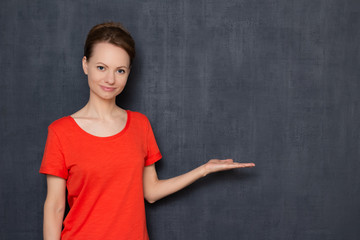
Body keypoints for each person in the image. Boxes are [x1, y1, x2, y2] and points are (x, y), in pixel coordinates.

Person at [39, 22, 255, 240]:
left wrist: (204, 170)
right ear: (86, 64)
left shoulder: (140, 125)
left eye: (120, 70)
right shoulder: (61, 132)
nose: (110, 79)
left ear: (128, 72)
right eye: (101, 67)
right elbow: (55, 206)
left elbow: (150, 192)